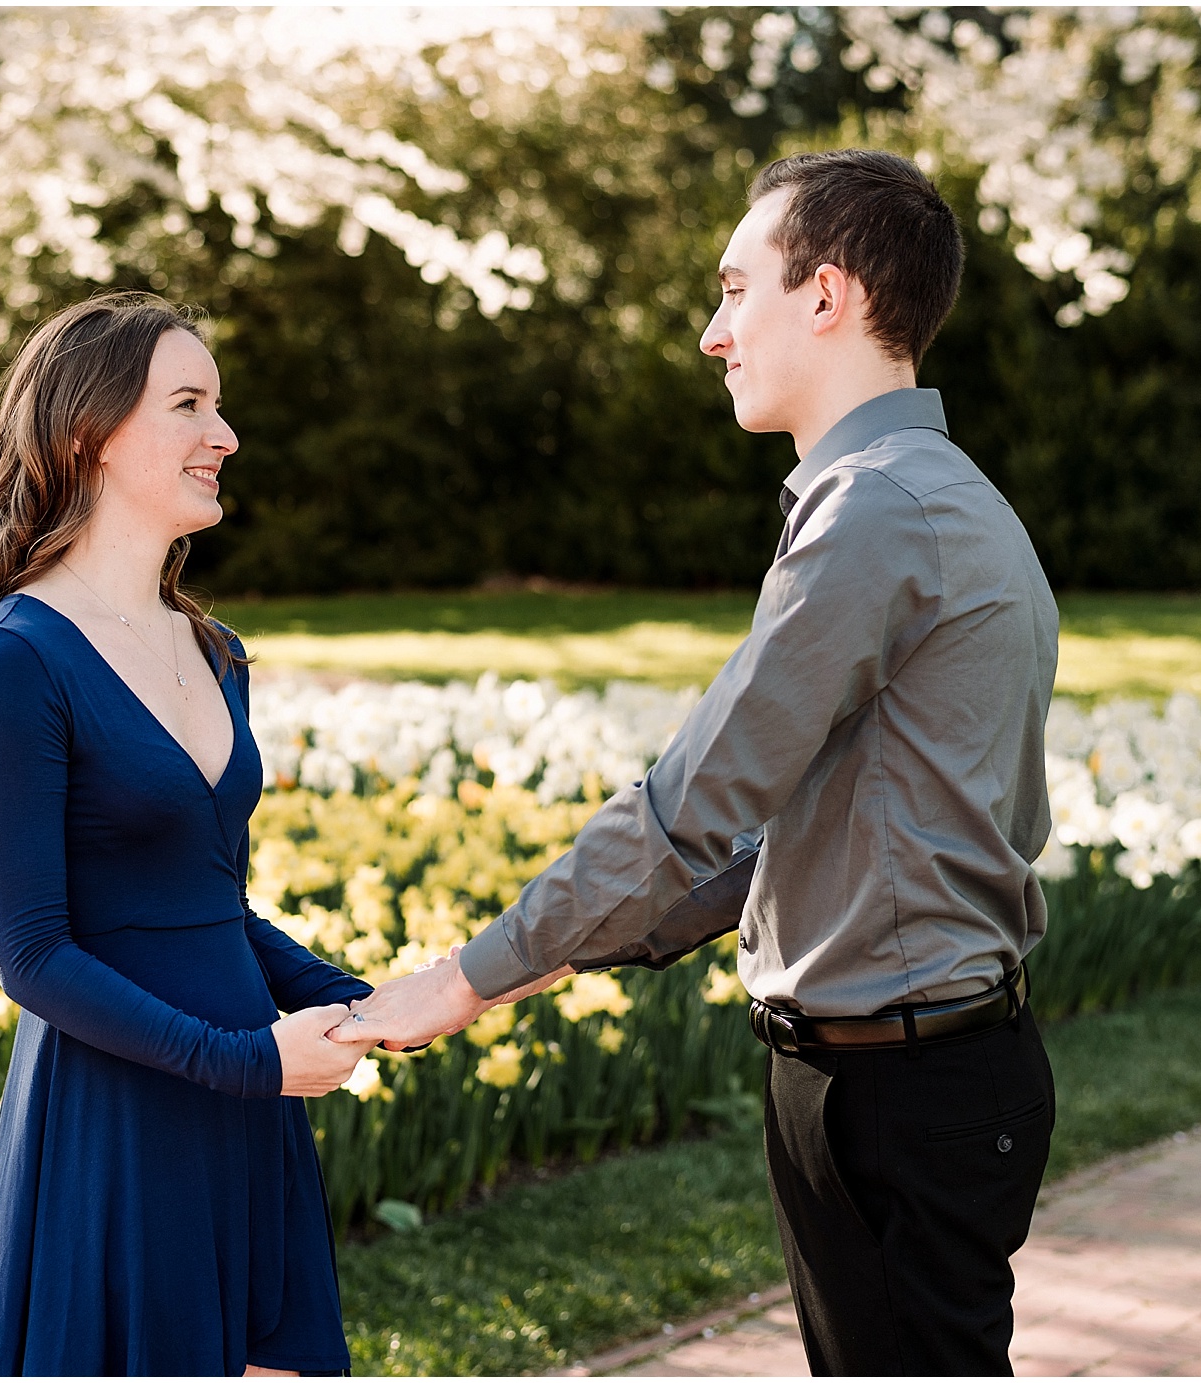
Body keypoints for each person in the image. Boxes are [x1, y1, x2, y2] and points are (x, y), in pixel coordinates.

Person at [336, 149, 1061, 1376]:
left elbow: (693, 806)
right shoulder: (921, 493)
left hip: (901, 1089)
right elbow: (785, 833)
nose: (714, 332)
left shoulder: (877, 509)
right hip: (896, 1073)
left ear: (825, 295)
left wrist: (462, 980)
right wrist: (547, 961)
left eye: (736, 290)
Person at [0, 292, 376, 1377]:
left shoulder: (214, 650)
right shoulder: (17, 662)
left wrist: (354, 997)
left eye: (217, 408)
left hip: (247, 1105)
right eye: (188, 405)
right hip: (121, 1122)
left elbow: (211, 907)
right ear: (89, 433)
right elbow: (34, 956)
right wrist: (240, 1062)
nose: (222, 437)